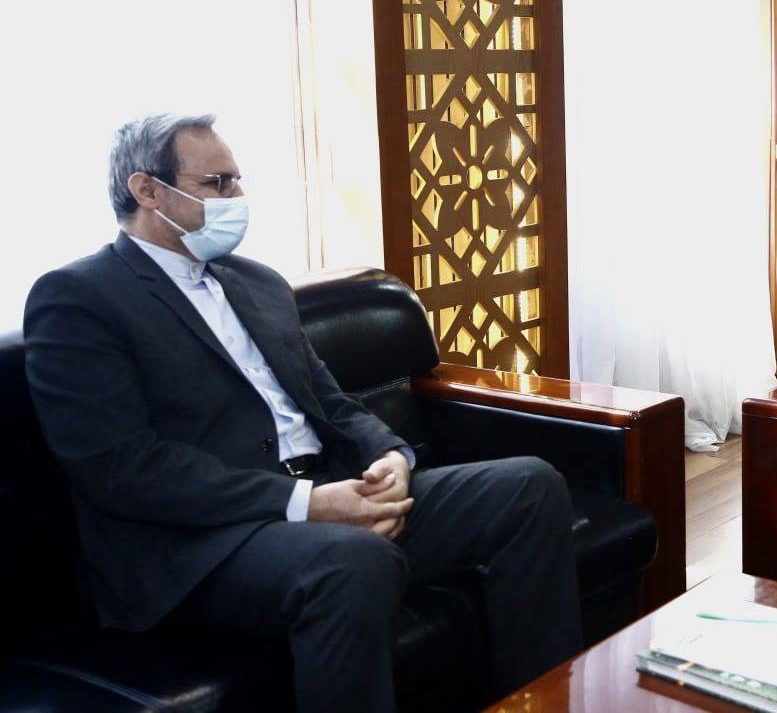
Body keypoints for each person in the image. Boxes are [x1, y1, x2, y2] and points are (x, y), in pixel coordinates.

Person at [23, 114, 583, 712]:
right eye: (217, 183)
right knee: (352, 561)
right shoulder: (80, 297)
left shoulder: (258, 284)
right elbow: (123, 468)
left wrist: (390, 455)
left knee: (528, 487)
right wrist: (308, 505)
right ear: (147, 191)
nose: (237, 197)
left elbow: (331, 402)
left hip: (328, 496)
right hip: (205, 545)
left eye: (238, 180)